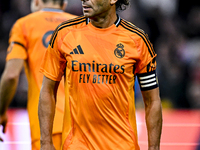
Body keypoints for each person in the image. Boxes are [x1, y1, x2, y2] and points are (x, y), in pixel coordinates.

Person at [38, 0, 163, 150]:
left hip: (122, 146)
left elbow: (152, 101)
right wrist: (45, 142)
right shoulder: (64, 33)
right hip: (77, 146)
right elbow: (47, 90)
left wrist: (154, 147)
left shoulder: (137, 40)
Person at [0, 0, 76, 149]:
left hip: (47, 127)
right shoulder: (80, 25)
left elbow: (11, 75)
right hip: (83, 125)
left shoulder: (24, 25)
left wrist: (2, 111)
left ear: (36, 2)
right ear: (64, 4)